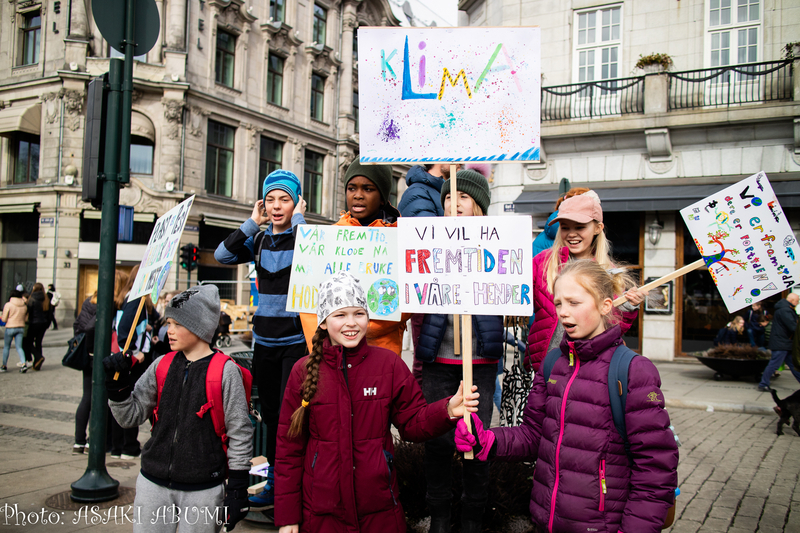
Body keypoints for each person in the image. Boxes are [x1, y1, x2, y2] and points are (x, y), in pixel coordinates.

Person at [455, 260, 679, 533]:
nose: (563, 312)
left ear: (605, 305)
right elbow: (533, 436)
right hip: (546, 521)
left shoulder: (633, 370)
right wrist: (487, 440)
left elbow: (655, 471)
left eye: (574, 303)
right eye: (559, 303)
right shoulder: (552, 364)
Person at [274, 271, 479, 533]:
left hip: (380, 511)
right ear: (323, 322)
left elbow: (412, 422)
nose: (351, 323)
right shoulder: (302, 371)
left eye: (359, 313)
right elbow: (288, 451)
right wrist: (288, 517)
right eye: (340, 315)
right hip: (322, 514)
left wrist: (447, 410)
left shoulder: (388, 364)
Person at [105, 284, 253, 533]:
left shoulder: (225, 372)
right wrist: (116, 389)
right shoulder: (161, 364)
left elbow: (240, 431)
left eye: (177, 324)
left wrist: (238, 486)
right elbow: (130, 416)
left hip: (203, 490)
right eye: (168, 323)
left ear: (200, 326)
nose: (168, 331)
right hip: (152, 484)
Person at [413, 168, 502, 533]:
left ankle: (472, 516)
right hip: (438, 358)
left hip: (479, 359)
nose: (454, 203)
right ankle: (440, 514)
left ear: (479, 205)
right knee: (436, 438)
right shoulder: (430, 240)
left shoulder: (499, 242)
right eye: (448, 197)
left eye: (463, 197)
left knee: (477, 439)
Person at [214, 169, 307, 509]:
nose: (276, 206)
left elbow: (313, 248)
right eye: (270, 200)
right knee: (269, 415)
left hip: (296, 341)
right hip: (264, 341)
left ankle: (293, 483)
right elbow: (222, 255)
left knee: (293, 417)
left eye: (285, 199)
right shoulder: (259, 240)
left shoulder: (303, 235)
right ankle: (274, 481)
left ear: (296, 203)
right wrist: (252, 222)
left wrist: (298, 220)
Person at [299, 160, 410, 356]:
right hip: (333, 350)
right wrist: (325, 345)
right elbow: (309, 304)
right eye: (352, 188)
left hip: (382, 351)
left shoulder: (400, 239)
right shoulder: (326, 238)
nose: (358, 195)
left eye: (368, 189)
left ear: (383, 197)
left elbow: (408, 301)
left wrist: (363, 327)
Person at [525, 193, 645, 372]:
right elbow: (518, 298)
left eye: (580, 227)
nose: (572, 234)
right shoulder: (542, 263)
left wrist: (627, 307)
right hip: (547, 363)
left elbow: (614, 328)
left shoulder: (608, 271)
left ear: (598, 228)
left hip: (590, 367)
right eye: (565, 227)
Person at [112, 265, 159, 459]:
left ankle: (121, 446)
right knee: (135, 400)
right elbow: (124, 332)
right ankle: (127, 446)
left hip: (135, 358)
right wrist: (135, 352)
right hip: (134, 361)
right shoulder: (135, 300)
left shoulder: (135, 299)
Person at [72, 290, 98, 454]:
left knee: (86, 396)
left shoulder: (88, 302)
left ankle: (78, 441)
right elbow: (89, 328)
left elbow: (77, 325)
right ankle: (89, 440)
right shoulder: (104, 304)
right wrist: (91, 351)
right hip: (94, 356)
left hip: (86, 356)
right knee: (95, 399)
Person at [758, 293, 800, 392]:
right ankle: (763, 384)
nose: (798, 303)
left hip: (785, 342)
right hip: (781, 343)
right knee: (774, 364)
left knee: (794, 365)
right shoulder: (785, 310)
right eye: (797, 301)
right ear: (792, 300)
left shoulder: (786, 309)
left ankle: (763, 383)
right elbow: (793, 327)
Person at [23, 283, 51, 371]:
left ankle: (38, 357)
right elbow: (50, 314)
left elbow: (28, 311)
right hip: (43, 324)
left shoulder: (32, 299)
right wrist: (47, 325)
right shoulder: (46, 298)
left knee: (27, 342)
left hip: (33, 323)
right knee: (38, 342)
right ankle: (37, 364)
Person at [1, 289, 28, 373]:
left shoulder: (8, 305)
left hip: (10, 327)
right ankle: (23, 364)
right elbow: (26, 319)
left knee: (6, 347)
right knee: (19, 347)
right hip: (20, 327)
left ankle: (4, 365)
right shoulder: (24, 305)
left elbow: (4, 318)